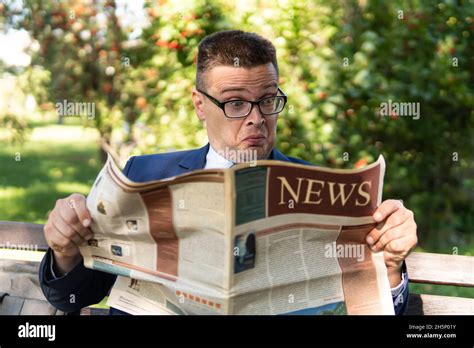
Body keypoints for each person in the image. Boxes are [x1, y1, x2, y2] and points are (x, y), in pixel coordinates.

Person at [39, 30, 417, 315]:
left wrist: (391, 269)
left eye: (268, 100)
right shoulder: (144, 174)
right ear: (200, 105)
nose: (256, 118)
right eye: (236, 102)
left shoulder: (322, 191)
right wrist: (65, 254)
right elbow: (73, 298)